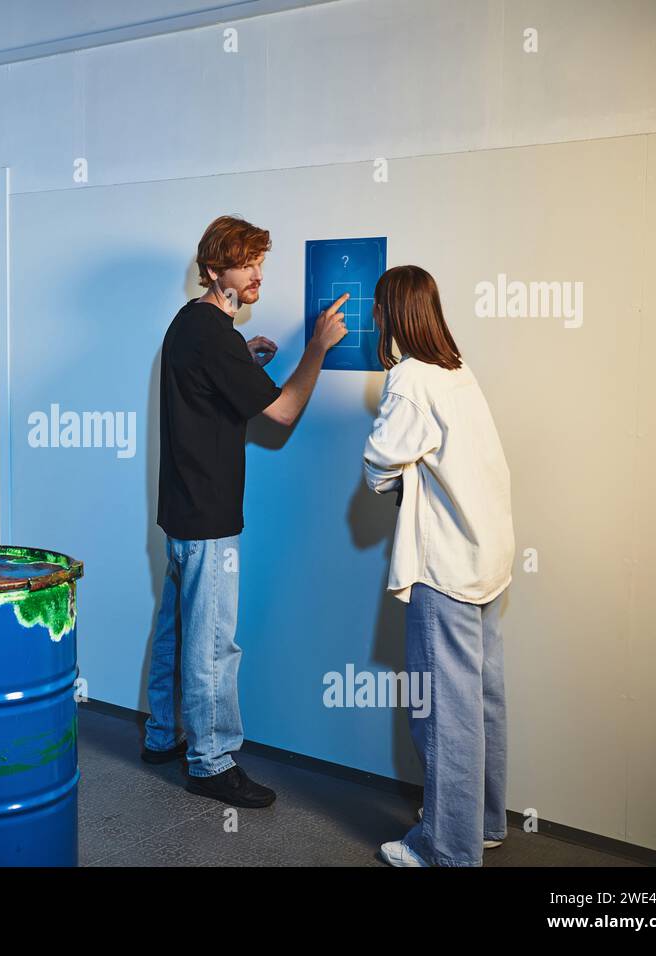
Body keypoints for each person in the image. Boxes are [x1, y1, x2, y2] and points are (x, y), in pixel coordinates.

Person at [143, 214, 349, 807]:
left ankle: (163, 736)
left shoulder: (195, 326)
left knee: (177, 630)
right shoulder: (213, 333)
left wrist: (245, 364)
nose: (256, 274)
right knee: (212, 643)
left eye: (260, 261)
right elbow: (282, 413)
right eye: (244, 263)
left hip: (183, 511)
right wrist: (317, 347)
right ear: (214, 271)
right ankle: (209, 762)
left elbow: (209, 395)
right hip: (209, 517)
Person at [361, 265, 514, 867]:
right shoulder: (457, 369)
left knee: (444, 713)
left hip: (446, 566)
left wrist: (393, 474)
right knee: (482, 698)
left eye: (377, 308)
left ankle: (448, 852)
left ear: (391, 313)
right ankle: (483, 823)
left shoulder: (408, 379)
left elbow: (377, 465)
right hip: (489, 558)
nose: (373, 318)